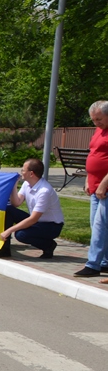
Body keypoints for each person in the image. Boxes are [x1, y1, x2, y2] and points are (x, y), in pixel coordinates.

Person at [0, 158, 64, 259]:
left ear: (31, 174)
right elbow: (16, 203)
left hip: (51, 226)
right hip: (37, 221)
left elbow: (33, 219)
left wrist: (9, 230)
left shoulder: (44, 191)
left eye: (23, 170)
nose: (21, 172)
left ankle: (48, 245)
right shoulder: (27, 184)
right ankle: (4, 249)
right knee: (8, 209)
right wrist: (14, 185)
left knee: (21, 234)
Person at [75, 100, 108, 277]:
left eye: (99, 119)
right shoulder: (98, 131)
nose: (96, 123)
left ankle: (93, 265)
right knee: (97, 225)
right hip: (95, 186)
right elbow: (94, 154)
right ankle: (105, 262)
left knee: (100, 226)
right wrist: (89, 179)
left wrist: (103, 183)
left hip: (105, 187)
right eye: (93, 120)